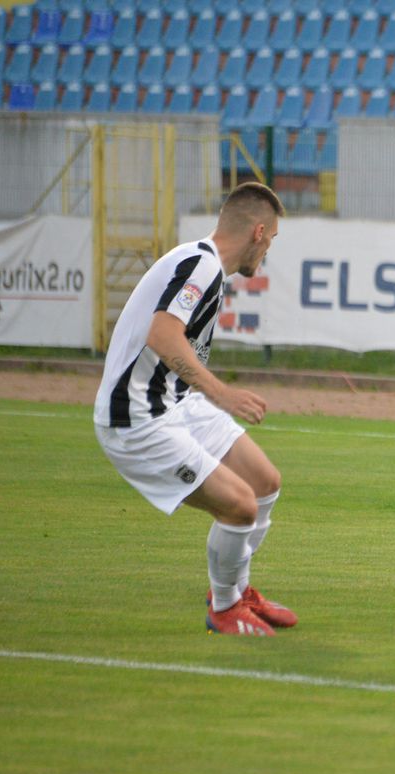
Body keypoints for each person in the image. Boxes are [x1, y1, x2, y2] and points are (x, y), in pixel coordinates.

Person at [94, 182, 296, 636]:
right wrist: (222, 394)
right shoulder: (201, 265)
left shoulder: (205, 265)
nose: (267, 252)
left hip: (175, 405)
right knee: (240, 505)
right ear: (258, 232)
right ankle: (224, 608)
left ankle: (236, 590)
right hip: (137, 420)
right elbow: (162, 335)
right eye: (272, 241)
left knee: (264, 482)